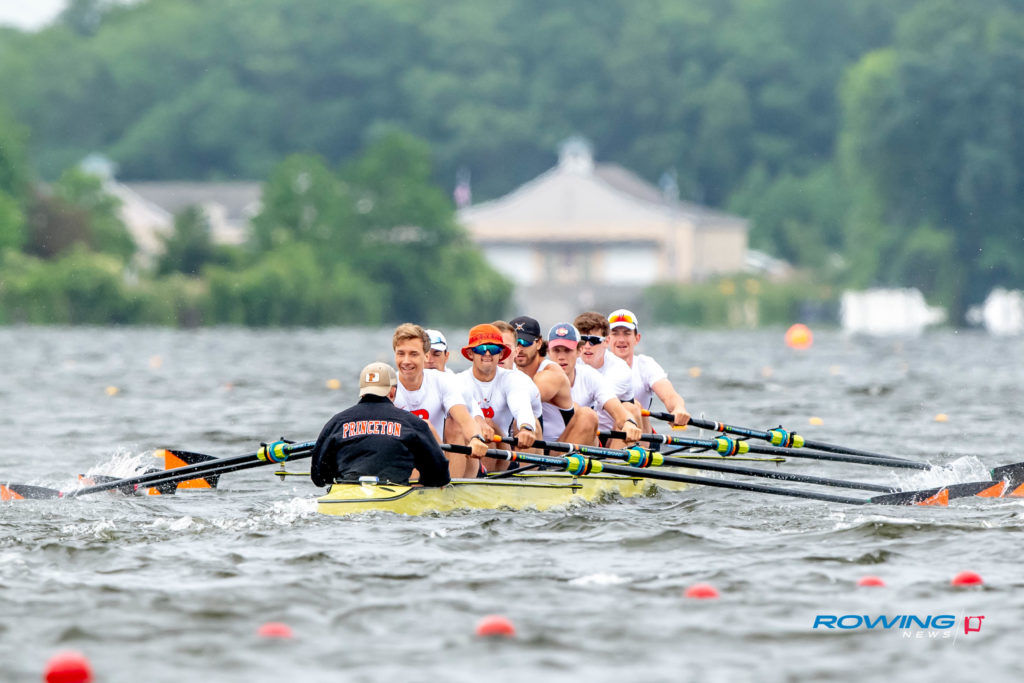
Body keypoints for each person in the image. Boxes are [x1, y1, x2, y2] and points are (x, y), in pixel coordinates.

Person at [310, 362, 452, 488]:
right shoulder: (413, 424)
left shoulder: (336, 423)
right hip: (395, 498)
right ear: (392, 392)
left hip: (344, 498)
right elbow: (440, 476)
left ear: (362, 392)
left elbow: (319, 477)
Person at [391, 323, 489, 477]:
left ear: (426, 356)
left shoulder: (443, 380)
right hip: (404, 458)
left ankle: (451, 485)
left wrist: (476, 438)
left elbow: (465, 420)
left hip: (441, 456)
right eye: (401, 354)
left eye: (414, 354)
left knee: (454, 423)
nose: (406, 361)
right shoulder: (387, 384)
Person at [457, 324, 539, 472]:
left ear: (501, 354)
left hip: (504, 452)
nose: (487, 353)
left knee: (532, 423)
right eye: (481, 349)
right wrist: (479, 422)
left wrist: (526, 428)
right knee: (482, 426)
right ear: (470, 354)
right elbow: (470, 406)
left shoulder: (513, 379)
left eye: (493, 349)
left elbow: (520, 405)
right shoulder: (459, 381)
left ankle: (515, 478)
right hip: (472, 450)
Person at [545, 323, 642, 445]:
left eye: (568, 350)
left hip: (580, 445)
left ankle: (619, 456)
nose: (561, 357)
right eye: (556, 350)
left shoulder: (589, 375)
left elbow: (616, 409)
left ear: (579, 351)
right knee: (587, 415)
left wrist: (628, 423)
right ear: (548, 352)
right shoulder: (540, 375)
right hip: (545, 448)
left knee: (627, 409)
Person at [511, 315, 597, 445]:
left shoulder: (550, 373)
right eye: (515, 343)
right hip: (517, 444)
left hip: (555, 449)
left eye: (525, 342)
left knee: (587, 415)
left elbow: (526, 399)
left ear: (539, 343)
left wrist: (627, 422)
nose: (520, 349)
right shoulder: (506, 371)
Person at [606, 308, 690, 433]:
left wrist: (678, 408)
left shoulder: (645, 365)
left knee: (631, 406)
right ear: (607, 339)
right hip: (601, 437)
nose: (621, 339)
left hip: (639, 436)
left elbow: (669, 395)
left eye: (627, 333)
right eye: (615, 333)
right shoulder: (596, 365)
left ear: (637, 338)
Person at [573, 311, 642, 442]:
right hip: (582, 433)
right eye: (582, 340)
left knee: (631, 408)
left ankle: (620, 455)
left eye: (593, 341)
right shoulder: (569, 361)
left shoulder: (620, 369)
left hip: (613, 436)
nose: (586, 346)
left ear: (607, 341)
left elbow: (597, 400)